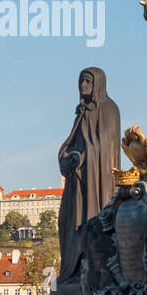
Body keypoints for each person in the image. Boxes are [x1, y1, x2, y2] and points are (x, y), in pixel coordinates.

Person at [57, 68, 121, 282]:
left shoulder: (109, 110)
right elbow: (72, 143)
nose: (82, 86)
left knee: (90, 224)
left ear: (98, 84)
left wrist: (83, 157)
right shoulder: (82, 112)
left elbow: (106, 148)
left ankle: (92, 270)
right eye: (81, 81)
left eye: (87, 81)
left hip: (97, 182)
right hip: (77, 182)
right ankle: (72, 270)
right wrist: (67, 157)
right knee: (69, 222)